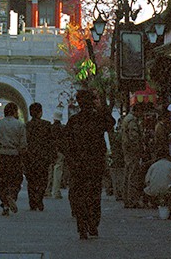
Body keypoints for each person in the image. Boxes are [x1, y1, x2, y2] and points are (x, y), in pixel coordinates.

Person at [65, 87, 111, 240]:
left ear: (78, 103)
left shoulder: (74, 121)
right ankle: (92, 224)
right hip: (95, 163)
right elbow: (111, 123)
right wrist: (101, 107)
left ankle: (82, 227)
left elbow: (66, 143)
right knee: (94, 194)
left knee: (80, 196)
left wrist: (71, 161)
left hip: (78, 164)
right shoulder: (98, 118)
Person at [0, 101, 27, 215]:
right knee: (16, 179)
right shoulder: (20, 125)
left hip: (1, 155)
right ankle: (12, 196)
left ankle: (5, 203)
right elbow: (23, 144)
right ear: (15, 112)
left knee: (2, 180)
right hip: (14, 155)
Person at [24, 101, 55, 211]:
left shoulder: (26, 126)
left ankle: (32, 202)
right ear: (40, 112)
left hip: (30, 157)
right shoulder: (46, 125)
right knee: (43, 180)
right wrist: (52, 156)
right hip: (43, 157)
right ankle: (39, 199)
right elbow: (51, 142)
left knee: (31, 181)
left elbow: (24, 143)